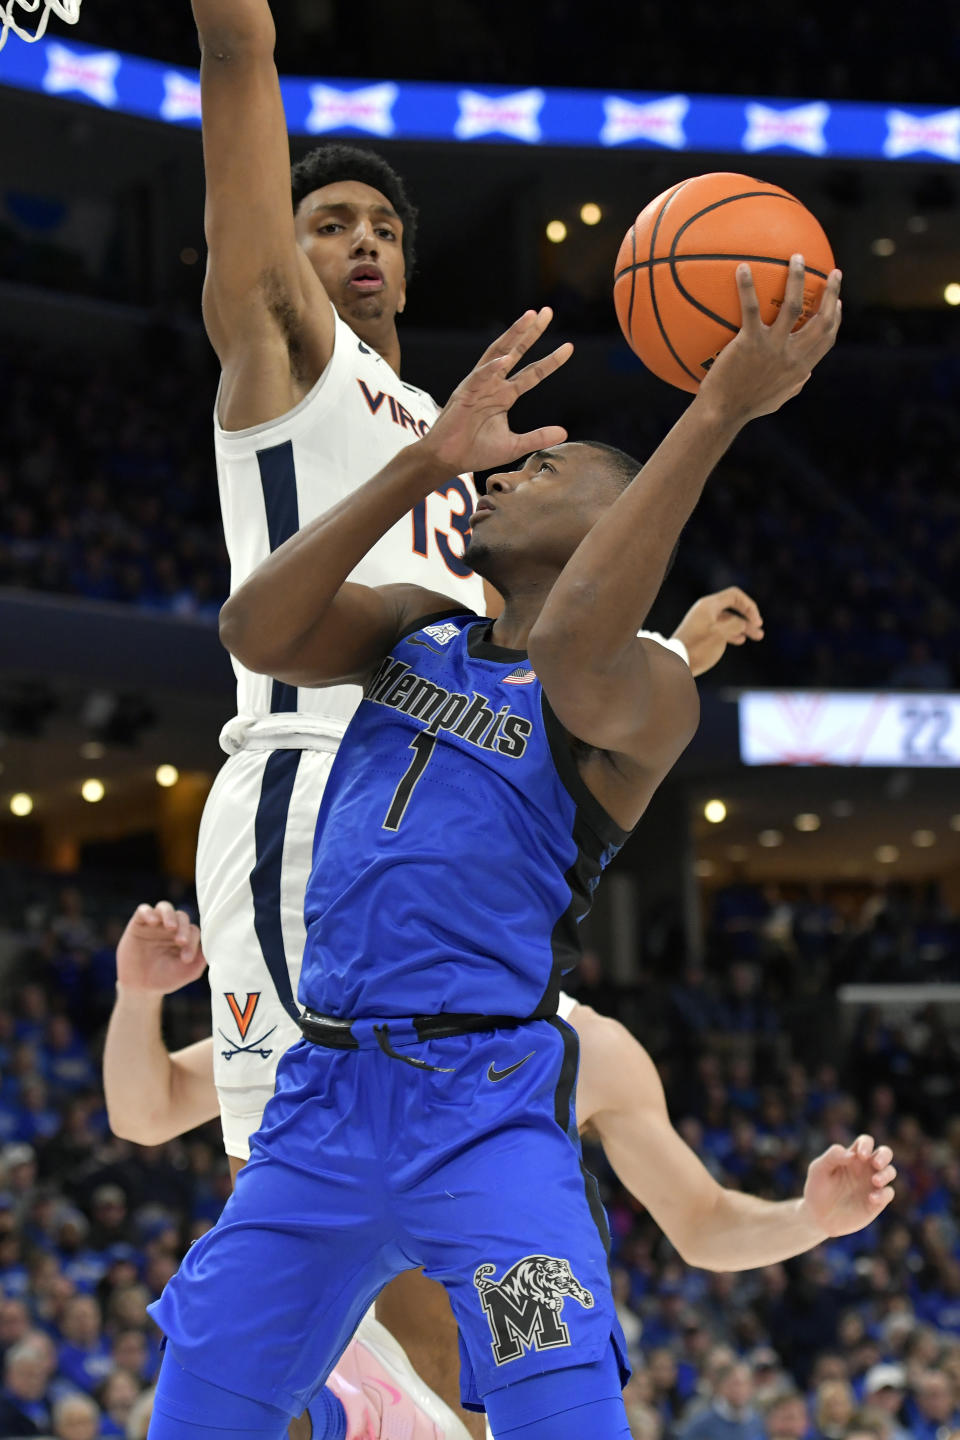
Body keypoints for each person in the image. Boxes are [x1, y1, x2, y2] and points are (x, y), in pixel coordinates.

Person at [141, 270, 852, 1440]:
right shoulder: (417, 626)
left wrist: (716, 409)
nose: (506, 472)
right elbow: (253, 629)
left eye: (545, 471)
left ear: (612, 522)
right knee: (200, 1412)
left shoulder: (647, 692)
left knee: (559, 1411)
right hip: (319, 1106)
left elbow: (578, 633)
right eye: (506, 465)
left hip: (483, 1117)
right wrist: (420, 464)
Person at [184, 0, 744, 1426]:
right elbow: (241, 57)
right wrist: (237, 41)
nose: (356, 240)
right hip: (309, 782)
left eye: (379, 221)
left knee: (447, 1246)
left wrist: (663, 655)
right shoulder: (285, 357)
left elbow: (554, 653)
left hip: (450, 826)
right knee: (309, 1219)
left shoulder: (455, 442)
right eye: (325, 221)